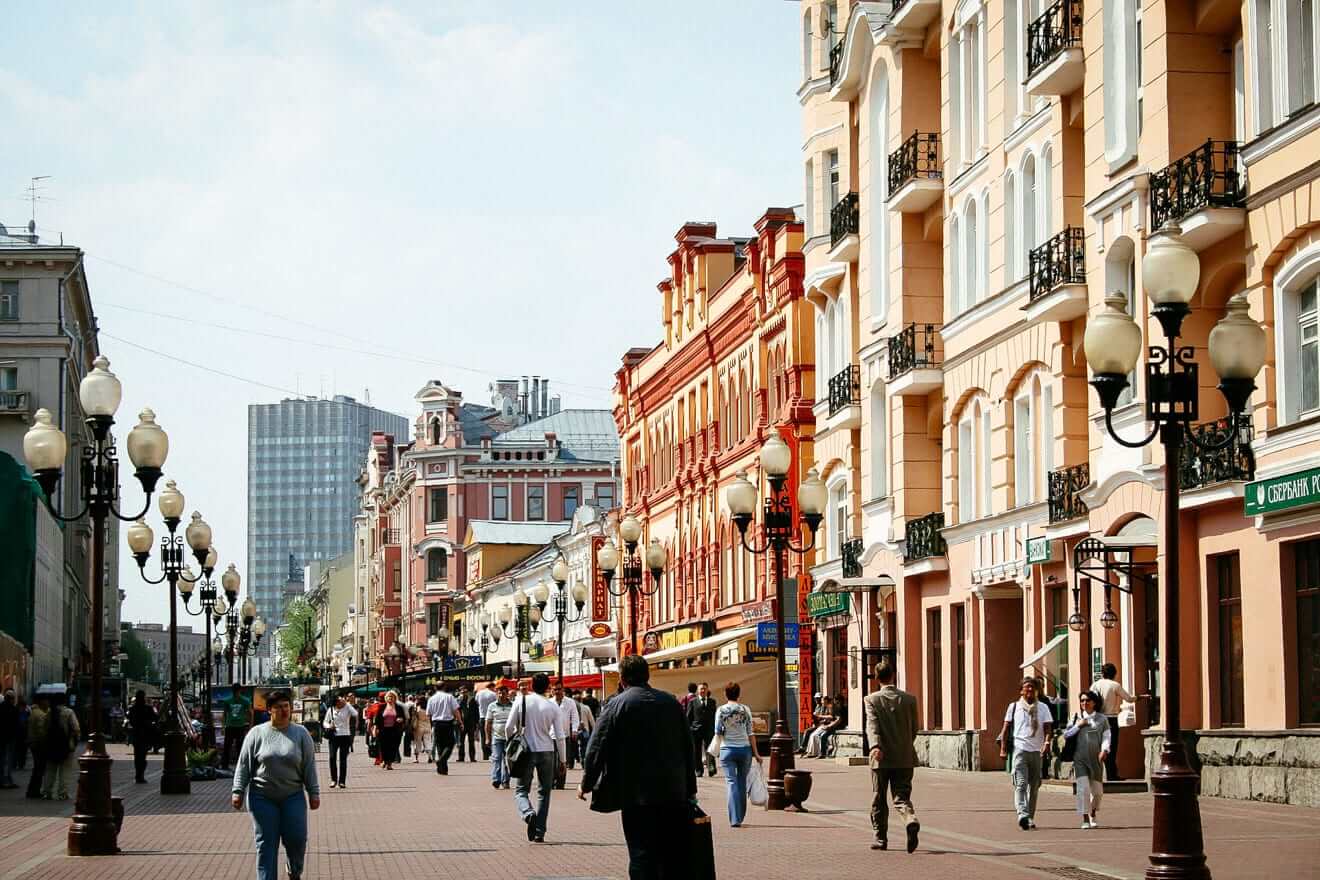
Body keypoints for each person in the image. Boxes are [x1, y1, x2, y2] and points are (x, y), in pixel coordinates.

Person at [579, 654, 696, 880]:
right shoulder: (670, 702)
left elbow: (597, 747)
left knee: (641, 853)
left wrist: (586, 783)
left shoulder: (617, 705)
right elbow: (687, 747)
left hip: (636, 794)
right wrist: (690, 788)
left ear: (622, 679)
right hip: (673, 791)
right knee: (670, 854)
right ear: (648, 675)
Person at [231, 689, 320, 880]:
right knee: (266, 843)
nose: (284, 710)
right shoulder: (257, 733)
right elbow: (244, 764)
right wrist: (237, 790)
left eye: (286, 706)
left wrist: (314, 792)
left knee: (297, 839)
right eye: (278, 707)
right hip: (262, 797)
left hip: (292, 795)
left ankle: (294, 869)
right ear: (269, 710)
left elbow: (309, 766)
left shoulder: (301, 733)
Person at [865, 662, 920, 853]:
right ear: (893, 675)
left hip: (880, 758)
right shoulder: (909, 699)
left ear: (876, 678)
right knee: (901, 797)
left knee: (879, 798)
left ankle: (880, 838)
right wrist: (904, 745)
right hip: (905, 757)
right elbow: (915, 728)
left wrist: (875, 746)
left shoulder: (871, 700)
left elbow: (872, 725)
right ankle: (910, 819)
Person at [504, 673, 561, 843]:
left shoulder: (521, 701)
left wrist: (511, 742)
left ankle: (528, 813)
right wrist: (563, 760)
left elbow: (508, 726)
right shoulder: (552, 706)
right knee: (544, 792)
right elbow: (560, 736)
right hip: (547, 751)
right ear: (547, 687)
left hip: (526, 751)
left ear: (531, 685)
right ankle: (539, 831)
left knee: (521, 790)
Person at [998, 677, 1055, 831]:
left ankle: (1029, 817)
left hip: (1036, 751)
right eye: (1026, 687)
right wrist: (1003, 748)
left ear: (1036, 690)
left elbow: (1048, 728)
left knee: (1035, 786)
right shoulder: (1014, 707)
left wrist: (1047, 743)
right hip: (1020, 749)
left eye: (1032, 688)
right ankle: (1022, 814)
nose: (1029, 690)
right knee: (1021, 784)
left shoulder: (1043, 707)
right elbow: (1005, 729)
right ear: (1021, 690)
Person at [715, 681, 762, 828]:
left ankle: (734, 818)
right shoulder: (745, 709)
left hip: (727, 749)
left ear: (725, 694)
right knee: (742, 782)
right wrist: (757, 754)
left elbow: (717, 731)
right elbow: (751, 733)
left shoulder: (721, 710)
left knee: (731, 782)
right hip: (744, 750)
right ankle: (740, 816)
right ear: (739, 694)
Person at [1065, 690, 1112, 829]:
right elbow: (1066, 735)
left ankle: (1092, 812)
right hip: (1080, 759)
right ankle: (1085, 818)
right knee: (1082, 789)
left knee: (1097, 792)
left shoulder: (1102, 719)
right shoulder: (1075, 717)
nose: (1084, 703)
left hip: (1096, 759)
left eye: (1087, 700)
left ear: (1094, 702)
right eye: (1082, 701)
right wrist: (1078, 726)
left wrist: (1104, 750)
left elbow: (1107, 736)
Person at [1091, 663, 1135, 781]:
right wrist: (1141, 697)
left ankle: (1100, 773)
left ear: (1102, 673)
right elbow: (1129, 699)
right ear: (1114, 674)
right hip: (1111, 719)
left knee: (1101, 745)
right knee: (1112, 746)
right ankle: (1112, 774)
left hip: (1098, 718)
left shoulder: (1095, 685)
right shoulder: (1115, 685)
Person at [41, 692, 79, 800]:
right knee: (65, 770)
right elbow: (76, 728)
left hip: (51, 745)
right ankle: (62, 793)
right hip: (66, 745)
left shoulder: (49, 712)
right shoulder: (68, 712)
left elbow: (44, 728)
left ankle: (47, 792)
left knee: (50, 769)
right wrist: (74, 739)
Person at [322, 694, 357, 789]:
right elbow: (325, 722)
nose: (342, 701)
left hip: (345, 735)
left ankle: (342, 781)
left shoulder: (347, 708)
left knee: (343, 759)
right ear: (336, 702)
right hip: (334, 736)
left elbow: (355, 714)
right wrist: (329, 726)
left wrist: (348, 704)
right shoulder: (331, 709)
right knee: (332, 757)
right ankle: (334, 780)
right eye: (340, 700)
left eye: (342, 700)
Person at [426, 682, 461, 774]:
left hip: (436, 723)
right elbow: (455, 710)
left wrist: (431, 725)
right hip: (448, 723)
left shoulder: (431, 699)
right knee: (450, 743)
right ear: (445, 687)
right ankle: (441, 761)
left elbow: (428, 714)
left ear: (435, 688)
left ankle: (442, 769)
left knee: (440, 746)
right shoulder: (449, 697)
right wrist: (460, 721)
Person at [685, 682, 717, 778]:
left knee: (710, 750)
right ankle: (699, 770)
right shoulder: (692, 702)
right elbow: (688, 717)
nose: (703, 690)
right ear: (698, 691)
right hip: (696, 730)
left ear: (707, 690)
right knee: (697, 751)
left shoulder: (712, 702)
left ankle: (711, 768)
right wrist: (690, 728)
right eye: (701, 689)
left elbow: (715, 716)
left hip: (709, 730)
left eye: (704, 689)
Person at [486, 684, 514, 789]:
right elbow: (488, 723)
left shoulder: (513, 705)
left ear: (507, 694)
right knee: (496, 758)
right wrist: (488, 738)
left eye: (503, 692)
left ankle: (505, 780)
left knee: (507, 760)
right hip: (497, 737)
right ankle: (496, 779)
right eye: (499, 692)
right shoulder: (492, 706)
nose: (501, 695)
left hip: (509, 738)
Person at [128, 690, 158, 784]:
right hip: (145, 734)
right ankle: (140, 775)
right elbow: (155, 718)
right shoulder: (148, 708)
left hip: (137, 734)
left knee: (138, 757)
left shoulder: (132, 709)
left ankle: (138, 775)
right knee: (142, 757)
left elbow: (131, 721)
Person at [552, 682, 582, 778]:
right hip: (551, 736)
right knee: (551, 761)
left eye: (559, 689)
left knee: (563, 760)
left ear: (563, 690)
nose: (557, 691)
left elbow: (575, 717)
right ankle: (552, 780)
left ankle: (561, 781)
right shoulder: (549, 702)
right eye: (555, 689)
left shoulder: (570, 702)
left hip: (565, 735)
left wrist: (574, 730)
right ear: (552, 691)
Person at [24, 692, 48, 799]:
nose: (48, 703)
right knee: (39, 769)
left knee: (37, 768)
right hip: (38, 744)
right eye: (46, 700)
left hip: (33, 743)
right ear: (41, 701)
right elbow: (41, 731)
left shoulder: (34, 712)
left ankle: (31, 790)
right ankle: (34, 791)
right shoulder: (40, 714)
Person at [372, 691, 404, 770]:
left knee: (393, 747)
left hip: (395, 730)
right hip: (383, 730)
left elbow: (403, 717)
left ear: (395, 698)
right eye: (389, 697)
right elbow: (377, 719)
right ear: (386, 698)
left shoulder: (399, 707)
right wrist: (375, 728)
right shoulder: (382, 707)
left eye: (392, 697)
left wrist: (401, 719)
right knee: (383, 747)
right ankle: (385, 762)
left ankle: (389, 762)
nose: (390, 698)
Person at [0, 689, 20, 789]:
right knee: (8, 760)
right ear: (11, 699)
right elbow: (17, 725)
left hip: (1, 737)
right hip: (10, 738)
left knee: (2, 759)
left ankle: (2, 779)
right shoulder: (14, 709)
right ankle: (7, 780)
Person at [457, 685, 480, 763]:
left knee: (471, 741)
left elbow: (477, 712)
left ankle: (472, 757)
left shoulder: (472, 700)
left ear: (468, 692)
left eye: (465, 692)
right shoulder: (458, 700)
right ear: (460, 692)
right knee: (461, 741)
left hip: (471, 723)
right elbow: (457, 711)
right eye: (462, 692)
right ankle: (461, 757)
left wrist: (476, 723)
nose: (464, 693)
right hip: (462, 723)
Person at [476, 681, 498, 760]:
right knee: (492, 735)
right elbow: (496, 704)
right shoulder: (493, 694)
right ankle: (492, 752)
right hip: (491, 718)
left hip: (482, 717)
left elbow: (477, 703)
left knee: (483, 736)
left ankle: (485, 755)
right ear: (492, 687)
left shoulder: (479, 693)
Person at [575, 690, 595, 764]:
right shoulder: (586, 708)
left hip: (575, 730)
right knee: (584, 746)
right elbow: (591, 720)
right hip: (585, 730)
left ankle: (576, 759)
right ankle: (583, 759)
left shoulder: (573, 708)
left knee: (576, 746)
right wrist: (594, 729)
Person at [409, 694, 432, 763]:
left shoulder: (417, 708)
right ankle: (429, 757)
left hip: (419, 726)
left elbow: (414, 717)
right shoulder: (429, 708)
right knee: (428, 741)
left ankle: (416, 758)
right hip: (428, 726)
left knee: (417, 742)